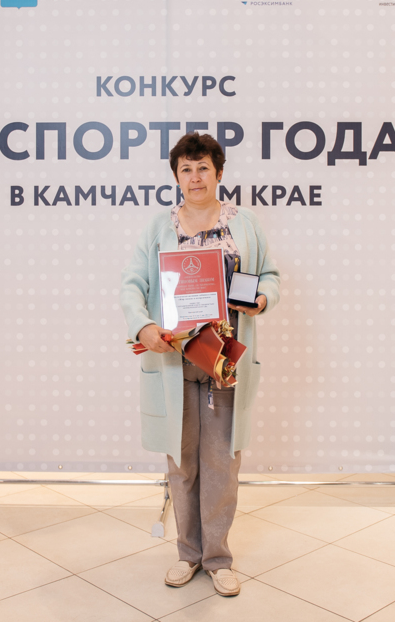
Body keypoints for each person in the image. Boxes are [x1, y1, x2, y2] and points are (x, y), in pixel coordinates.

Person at [120, 132, 280, 597]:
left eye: (203, 168)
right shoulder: (159, 227)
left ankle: (218, 559)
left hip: (224, 360)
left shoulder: (244, 224)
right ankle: (188, 554)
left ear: (219, 173)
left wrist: (262, 298)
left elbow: (269, 275)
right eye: (186, 169)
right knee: (182, 460)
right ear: (176, 176)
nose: (195, 178)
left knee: (221, 463)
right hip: (174, 361)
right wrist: (143, 326)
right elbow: (132, 284)